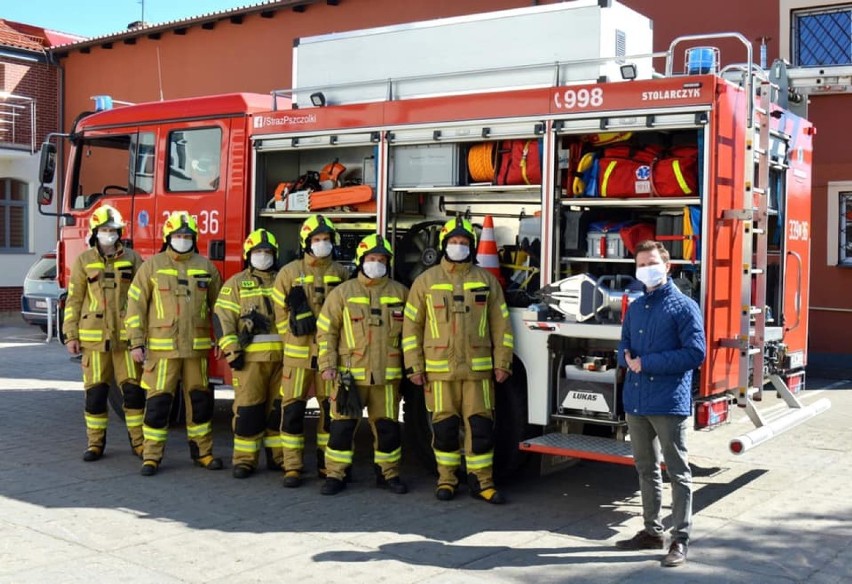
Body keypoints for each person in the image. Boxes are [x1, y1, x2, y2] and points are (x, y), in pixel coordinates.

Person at [402, 217, 514, 504]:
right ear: (443, 245)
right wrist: (414, 366)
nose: (458, 247)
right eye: (453, 243)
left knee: (480, 430)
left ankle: (482, 483)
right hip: (439, 373)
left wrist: (502, 362)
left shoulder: (486, 281)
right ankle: (447, 479)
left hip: (478, 373)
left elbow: (501, 325)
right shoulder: (425, 282)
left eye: (464, 243)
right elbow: (411, 327)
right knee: (444, 430)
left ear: (472, 247)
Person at [615, 239, 706, 567]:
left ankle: (680, 539)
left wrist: (646, 363)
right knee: (645, 469)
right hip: (637, 403)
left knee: (678, 472)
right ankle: (652, 531)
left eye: (652, 262)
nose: (646, 269)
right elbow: (623, 344)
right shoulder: (637, 306)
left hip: (668, 403)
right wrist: (624, 357)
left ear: (667, 266)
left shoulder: (684, 306)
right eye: (640, 264)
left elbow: (696, 353)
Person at [125, 211, 224, 476]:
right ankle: (151, 455)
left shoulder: (206, 268)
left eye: (187, 236)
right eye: (178, 236)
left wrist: (223, 339)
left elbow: (220, 309)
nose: (183, 240)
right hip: (161, 350)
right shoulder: (152, 267)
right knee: (158, 404)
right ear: (169, 237)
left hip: (196, 350)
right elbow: (134, 307)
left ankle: (203, 452)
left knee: (200, 403)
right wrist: (136, 343)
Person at [316, 234, 409, 496]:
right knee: (342, 428)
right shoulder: (342, 293)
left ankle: (388, 474)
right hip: (349, 378)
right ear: (361, 261)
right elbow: (326, 332)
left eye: (381, 259)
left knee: (388, 428)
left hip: (386, 378)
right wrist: (328, 364)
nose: (376, 263)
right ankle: (336, 475)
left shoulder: (401, 293)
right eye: (371, 259)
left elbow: (412, 336)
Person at [272, 214, 349, 487]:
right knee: (292, 412)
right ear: (306, 242)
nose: (322, 244)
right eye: (317, 239)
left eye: (326, 239)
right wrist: (290, 334)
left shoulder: (341, 273)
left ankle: (327, 466)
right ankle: (292, 467)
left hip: (328, 357)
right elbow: (278, 310)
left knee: (329, 413)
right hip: (297, 356)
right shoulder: (289, 273)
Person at [63, 205, 145, 461]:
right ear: (95, 232)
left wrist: (141, 338)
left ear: (120, 232)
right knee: (96, 394)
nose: (109, 234)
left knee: (133, 393)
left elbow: (142, 299)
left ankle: (139, 443)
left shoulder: (132, 259)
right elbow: (74, 299)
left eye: (113, 230)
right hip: (93, 340)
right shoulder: (84, 261)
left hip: (125, 339)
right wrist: (71, 335)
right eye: (105, 230)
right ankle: (95, 444)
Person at [213, 229, 284, 479]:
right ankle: (244, 461)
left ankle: (279, 458)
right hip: (250, 362)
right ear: (248, 255)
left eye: (267, 252)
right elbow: (222, 319)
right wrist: (232, 352)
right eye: (257, 252)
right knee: (248, 411)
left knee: (279, 412)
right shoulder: (236, 283)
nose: (263, 256)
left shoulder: (284, 280)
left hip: (283, 360)